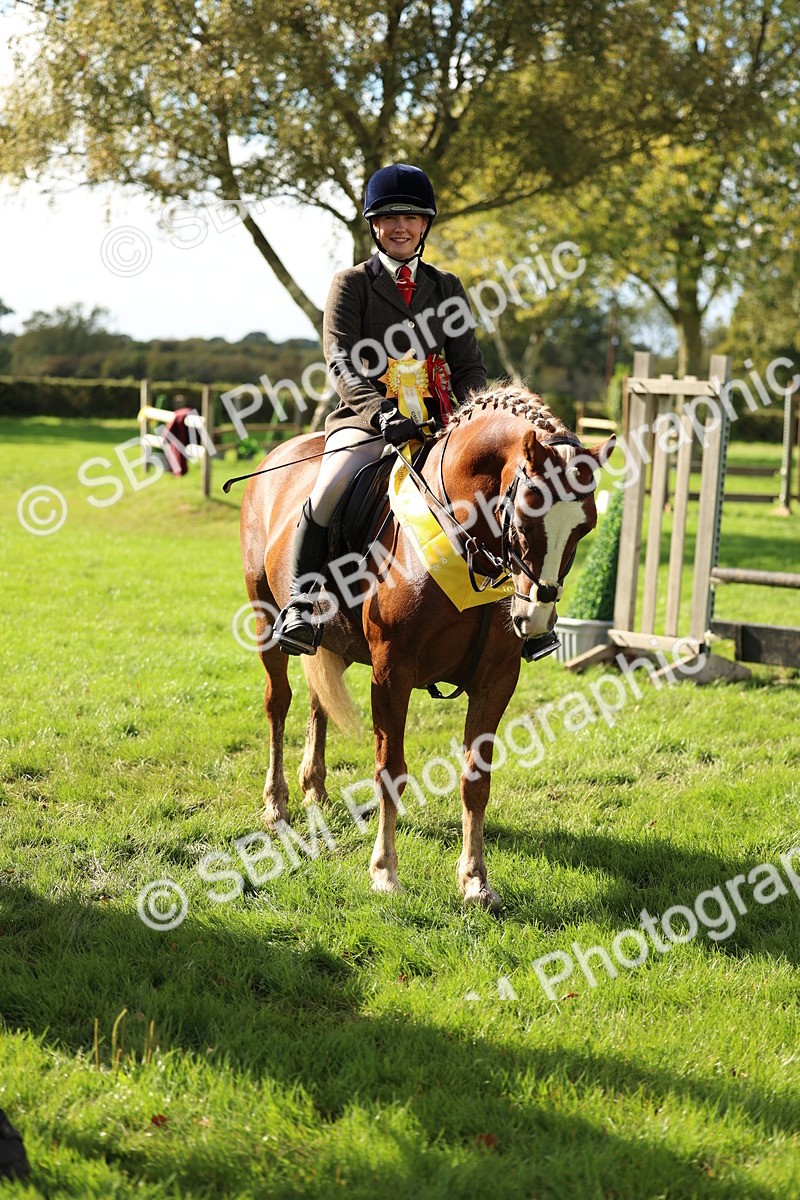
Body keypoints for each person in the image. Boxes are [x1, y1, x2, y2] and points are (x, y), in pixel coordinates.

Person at [277, 162, 487, 655]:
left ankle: (518, 612)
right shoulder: (350, 284)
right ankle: (301, 605)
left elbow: (469, 364)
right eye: (390, 217)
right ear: (374, 225)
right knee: (328, 489)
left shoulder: (447, 286)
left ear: (424, 226)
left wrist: (469, 414)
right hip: (369, 424)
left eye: (412, 218)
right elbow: (342, 362)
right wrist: (381, 415)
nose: (401, 227)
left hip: (440, 425)